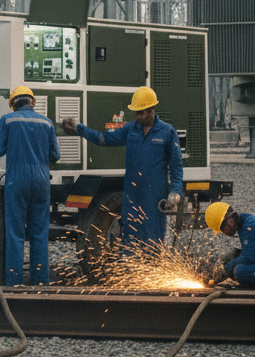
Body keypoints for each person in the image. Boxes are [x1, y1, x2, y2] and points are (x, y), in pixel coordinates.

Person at [62, 86, 183, 253]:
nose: (138, 117)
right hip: (132, 194)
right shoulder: (131, 129)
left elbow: (176, 165)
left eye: (142, 113)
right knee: (128, 240)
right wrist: (79, 129)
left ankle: (152, 274)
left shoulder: (167, 132)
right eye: (137, 113)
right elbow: (104, 139)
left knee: (153, 241)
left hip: (154, 196)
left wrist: (175, 190)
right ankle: (128, 274)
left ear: (152, 110)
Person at [0, 85, 60, 285]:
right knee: (39, 233)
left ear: (13, 104)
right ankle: (40, 282)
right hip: (41, 181)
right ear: (32, 102)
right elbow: (55, 155)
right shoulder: (47, 123)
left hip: (17, 180)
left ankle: (14, 283)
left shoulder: (7, 120)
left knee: (15, 233)